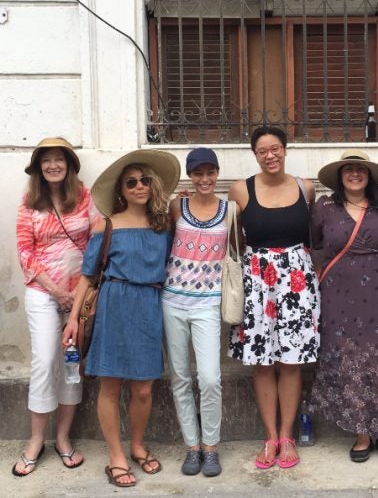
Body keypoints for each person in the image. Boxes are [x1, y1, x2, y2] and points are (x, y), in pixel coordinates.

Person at [62, 150, 180, 487]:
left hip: (149, 304)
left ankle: (138, 445)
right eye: (131, 182)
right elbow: (87, 275)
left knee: (143, 389)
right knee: (111, 385)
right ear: (122, 191)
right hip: (115, 304)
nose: (139, 186)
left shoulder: (163, 226)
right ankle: (116, 456)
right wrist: (73, 320)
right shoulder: (107, 224)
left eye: (144, 180)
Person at [309, 149, 378, 464]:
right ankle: (361, 433)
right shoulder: (323, 207)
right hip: (339, 295)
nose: (355, 173)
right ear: (340, 176)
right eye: (348, 169)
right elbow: (314, 242)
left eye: (361, 169)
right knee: (350, 359)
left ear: (368, 176)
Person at [228, 126, 320, 469]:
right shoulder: (241, 189)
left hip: (297, 280)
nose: (270, 155)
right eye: (263, 150)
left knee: (292, 360)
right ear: (255, 154)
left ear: (285, 150)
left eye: (276, 148)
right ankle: (269, 437)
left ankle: (287, 435)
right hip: (257, 280)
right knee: (263, 362)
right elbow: (235, 237)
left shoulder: (305, 187)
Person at [13, 137, 98, 476]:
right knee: (46, 358)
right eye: (46, 160)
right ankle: (36, 439)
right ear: (38, 168)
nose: (52, 165)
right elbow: (24, 252)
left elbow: (96, 242)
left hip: (81, 295)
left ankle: (63, 438)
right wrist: (55, 290)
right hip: (42, 292)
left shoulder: (86, 197)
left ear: (69, 165)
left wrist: (77, 295)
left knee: (72, 363)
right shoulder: (28, 202)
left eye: (58, 159)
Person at [162, 147, 231, 477]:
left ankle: (211, 446)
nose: (205, 179)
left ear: (217, 174)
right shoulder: (178, 205)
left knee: (209, 378)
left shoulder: (230, 210)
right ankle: (192, 447)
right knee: (180, 377)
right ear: (191, 176)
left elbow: (238, 250)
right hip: (172, 301)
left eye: (210, 172)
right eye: (199, 173)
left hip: (208, 304)